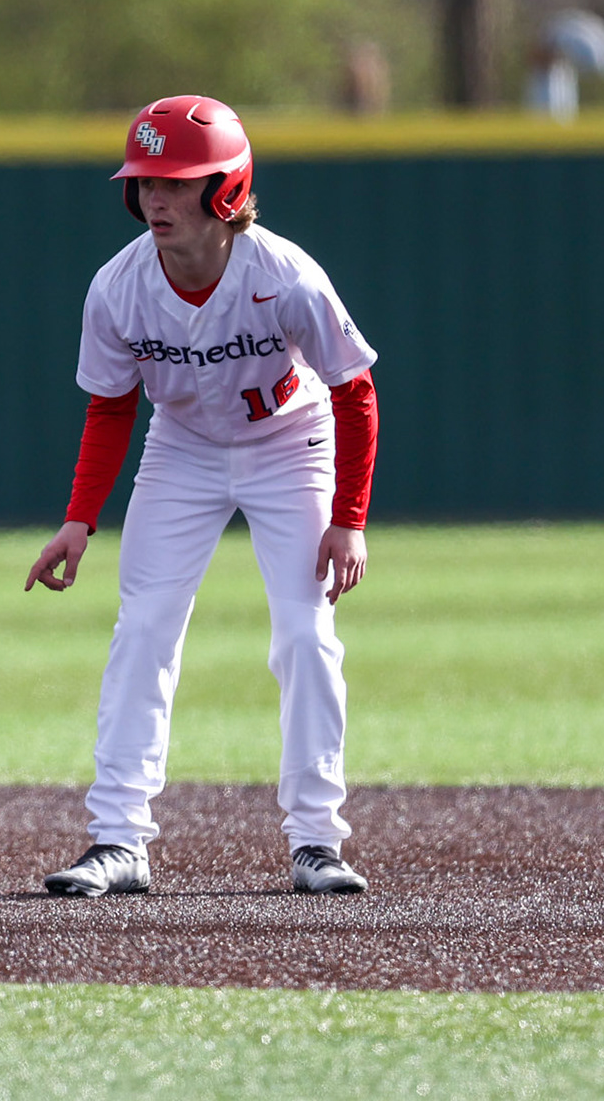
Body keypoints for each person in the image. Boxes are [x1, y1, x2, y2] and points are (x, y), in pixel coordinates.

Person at [25, 95, 380, 896]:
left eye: (178, 181)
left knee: (304, 633)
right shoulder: (117, 286)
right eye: (145, 180)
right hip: (182, 449)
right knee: (144, 627)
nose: (156, 197)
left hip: (292, 444)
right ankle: (117, 840)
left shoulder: (285, 275)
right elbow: (112, 405)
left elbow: (354, 389)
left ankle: (317, 841)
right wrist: (80, 518)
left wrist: (349, 520)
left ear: (227, 188)